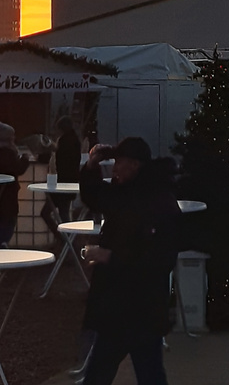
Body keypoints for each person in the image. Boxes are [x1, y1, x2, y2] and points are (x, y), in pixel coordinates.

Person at [78, 137, 181, 385]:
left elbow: (159, 257)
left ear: (135, 165)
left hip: (135, 304)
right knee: (147, 371)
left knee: (109, 371)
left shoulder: (157, 202)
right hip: (129, 305)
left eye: (119, 163)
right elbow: (96, 197)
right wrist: (91, 166)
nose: (113, 170)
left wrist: (111, 257)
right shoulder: (129, 192)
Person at [0, 123, 29, 248]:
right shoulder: (7, 152)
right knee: (8, 222)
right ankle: (1, 247)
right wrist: (25, 159)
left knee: (1, 221)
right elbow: (16, 169)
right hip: (7, 194)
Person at [40, 117, 81, 233]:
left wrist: (52, 149)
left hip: (61, 182)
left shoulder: (64, 141)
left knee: (50, 213)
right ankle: (67, 239)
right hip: (70, 181)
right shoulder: (75, 140)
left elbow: (61, 160)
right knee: (64, 212)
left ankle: (66, 239)